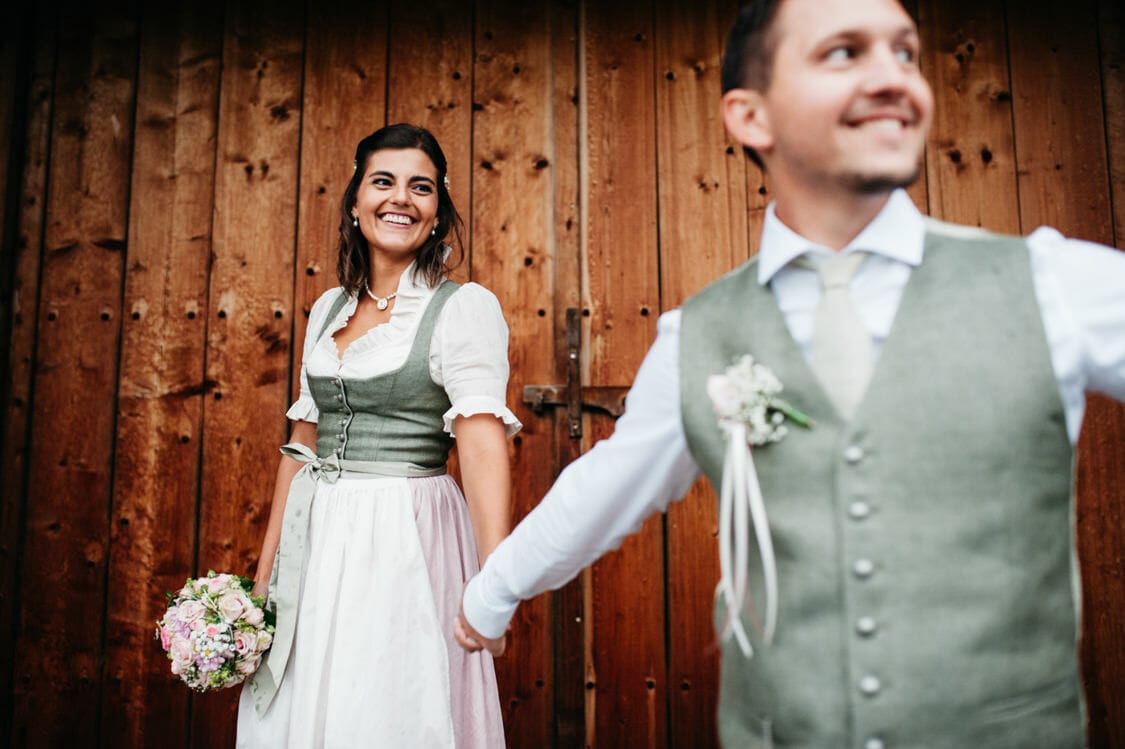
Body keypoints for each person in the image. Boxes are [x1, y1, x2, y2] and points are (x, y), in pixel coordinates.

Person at [454, 0, 1125, 746]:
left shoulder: (1050, 283)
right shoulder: (698, 334)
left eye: (904, 53)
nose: (893, 78)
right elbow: (605, 486)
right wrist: (491, 593)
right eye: (843, 52)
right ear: (750, 117)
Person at [237, 123, 518, 748]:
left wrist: (495, 585)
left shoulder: (461, 307)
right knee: (308, 695)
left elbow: (480, 446)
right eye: (383, 182)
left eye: (421, 187)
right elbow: (302, 445)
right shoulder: (328, 309)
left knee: (385, 702)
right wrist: (265, 577)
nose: (401, 199)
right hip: (317, 535)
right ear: (355, 201)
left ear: (437, 212)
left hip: (403, 532)